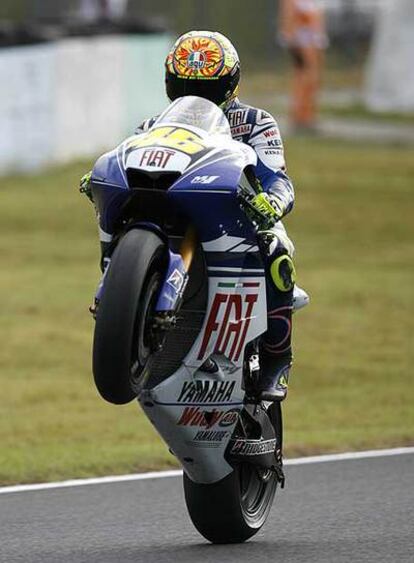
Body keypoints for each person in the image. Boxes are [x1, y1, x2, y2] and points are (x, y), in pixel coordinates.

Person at [80, 30, 307, 402]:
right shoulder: (156, 123)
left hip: (241, 220)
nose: (195, 97)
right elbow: (129, 151)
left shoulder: (256, 122)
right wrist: (100, 176)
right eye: (186, 86)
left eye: (206, 88)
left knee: (276, 247)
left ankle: (277, 358)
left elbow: (278, 178)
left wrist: (272, 204)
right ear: (171, 84)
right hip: (176, 207)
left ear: (229, 85)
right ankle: (123, 306)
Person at [278, 0, 328, 132]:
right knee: (305, 79)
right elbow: (288, 19)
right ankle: (300, 117)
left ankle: (308, 116)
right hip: (302, 43)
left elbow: (316, 19)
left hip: (313, 43)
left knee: (312, 81)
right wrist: (291, 39)